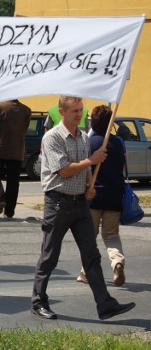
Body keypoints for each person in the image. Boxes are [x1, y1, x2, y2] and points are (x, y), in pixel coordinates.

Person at [31, 96, 135, 321]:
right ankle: (38, 301)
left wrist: (89, 185)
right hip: (57, 203)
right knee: (49, 255)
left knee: (91, 255)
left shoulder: (82, 138)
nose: (79, 115)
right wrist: (92, 161)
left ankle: (105, 304)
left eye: (81, 111)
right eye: (75, 111)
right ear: (62, 112)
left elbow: (85, 168)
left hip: (80, 203)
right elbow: (64, 170)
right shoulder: (53, 137)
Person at [76, 105, 127, 286]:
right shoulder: (119, 143)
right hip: (114, 197)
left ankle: (85, 273)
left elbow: (83, 170)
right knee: (111, 235)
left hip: (93, 196)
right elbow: (123, 170)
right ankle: (117, 263)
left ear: (93, 123)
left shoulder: (87, 143)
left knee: (89, 237)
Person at [0, 99, 31, 218]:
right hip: (17, 149)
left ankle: (1, 198)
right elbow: (25, 129)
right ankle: (9, 211)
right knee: (13, 181)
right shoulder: (26, 110)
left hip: (0, 148)